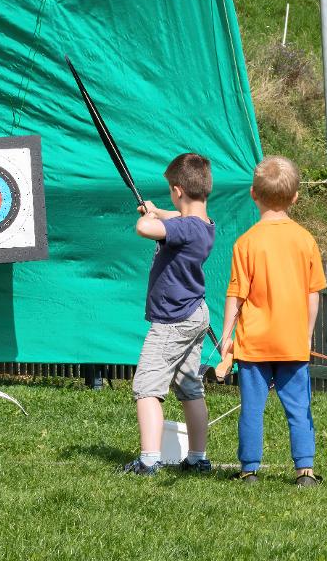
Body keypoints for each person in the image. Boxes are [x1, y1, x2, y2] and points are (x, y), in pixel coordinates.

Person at [220, 156, 326, 486]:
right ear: (295, 196)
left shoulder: (246, 242)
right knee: (298, 408)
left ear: (253, 193)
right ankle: (305, 472)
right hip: (292, 341)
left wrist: (226, 337)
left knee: (251, 408)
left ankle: (249, 470)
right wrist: (306, 335)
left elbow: (236, 296)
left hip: (254, 343)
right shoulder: (305, 240)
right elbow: (313, 295)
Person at [121, 153, 215, 476]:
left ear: (177, 190)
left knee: (147, 387)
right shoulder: (204, 225)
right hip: (195, 315)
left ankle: (148, 460)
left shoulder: (185, 228)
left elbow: (144, 228)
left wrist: (150, 217)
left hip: (172, 321)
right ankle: (198, 458)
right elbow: (178, 216)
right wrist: (160, 211)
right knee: (190, 387)